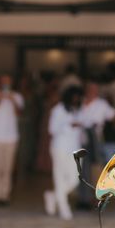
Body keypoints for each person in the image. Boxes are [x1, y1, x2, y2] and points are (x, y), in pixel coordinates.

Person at [44, 85, 84, 220]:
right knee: (60, 178)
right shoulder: (58, 110)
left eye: (78, 96)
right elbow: (52, 129)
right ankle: (63, 208)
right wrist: (69, 125)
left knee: (75, 179)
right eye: (74, 96)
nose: (76, 99)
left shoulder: (78, 110)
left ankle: (53, 196)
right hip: (60, 147)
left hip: (75, 148)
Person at [76, 80, 115, 208]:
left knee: (96, 169)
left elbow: (114, 116)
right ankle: (82, 198)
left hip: (95, 140)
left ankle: (96, 199)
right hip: (79, 140)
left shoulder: (102, 104)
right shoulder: (79, 103)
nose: (92, 92)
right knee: (81, 169)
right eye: (90, 89)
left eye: (94, 89)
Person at [0, 75, 24, 205]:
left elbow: (19, 113)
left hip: (11, 137)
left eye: (8, 81)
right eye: (3, 81)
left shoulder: (17, 96)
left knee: (7, 168)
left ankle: (4, 195)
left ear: (11, 82)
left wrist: (12, 99)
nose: (5, 83)